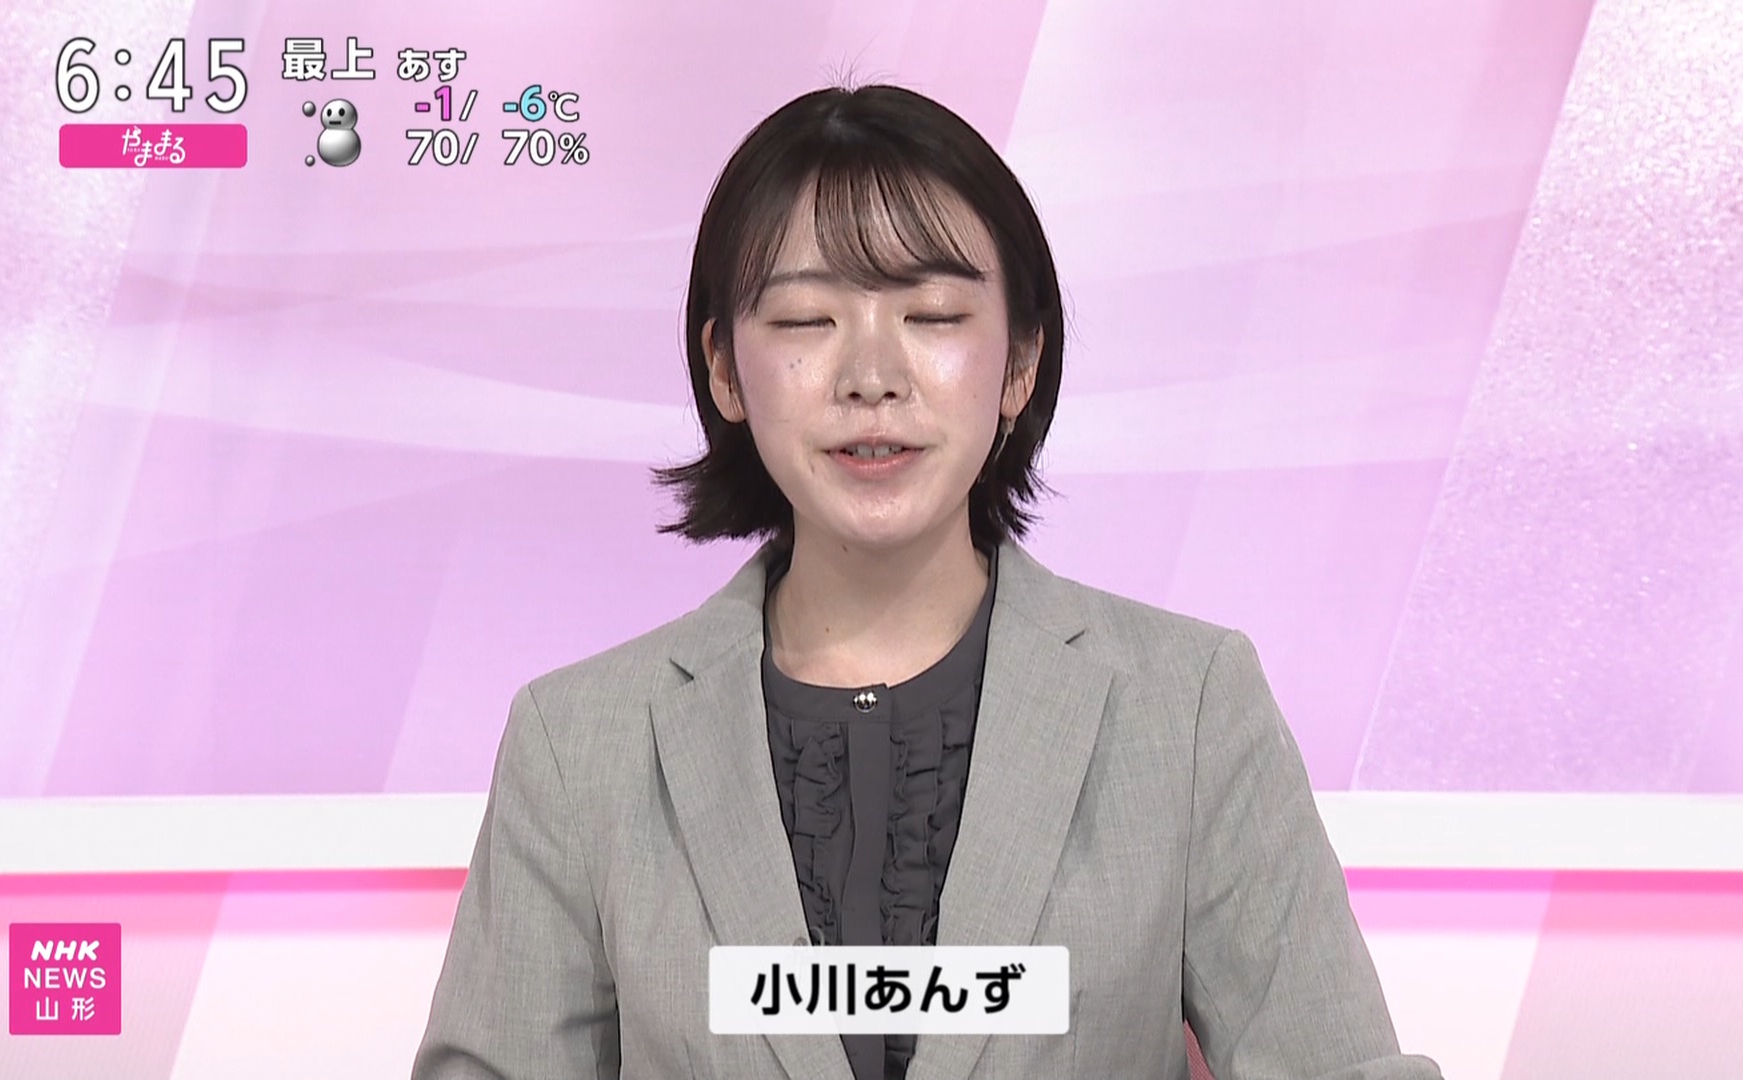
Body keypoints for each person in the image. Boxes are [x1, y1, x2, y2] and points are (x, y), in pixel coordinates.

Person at [412, 84, 1441, 1080]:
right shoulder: (578, 744)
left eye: (934, 315)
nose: (873, 377)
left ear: (1022, 360)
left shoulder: (1190, 706)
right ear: (725, 369)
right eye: (806, 321)